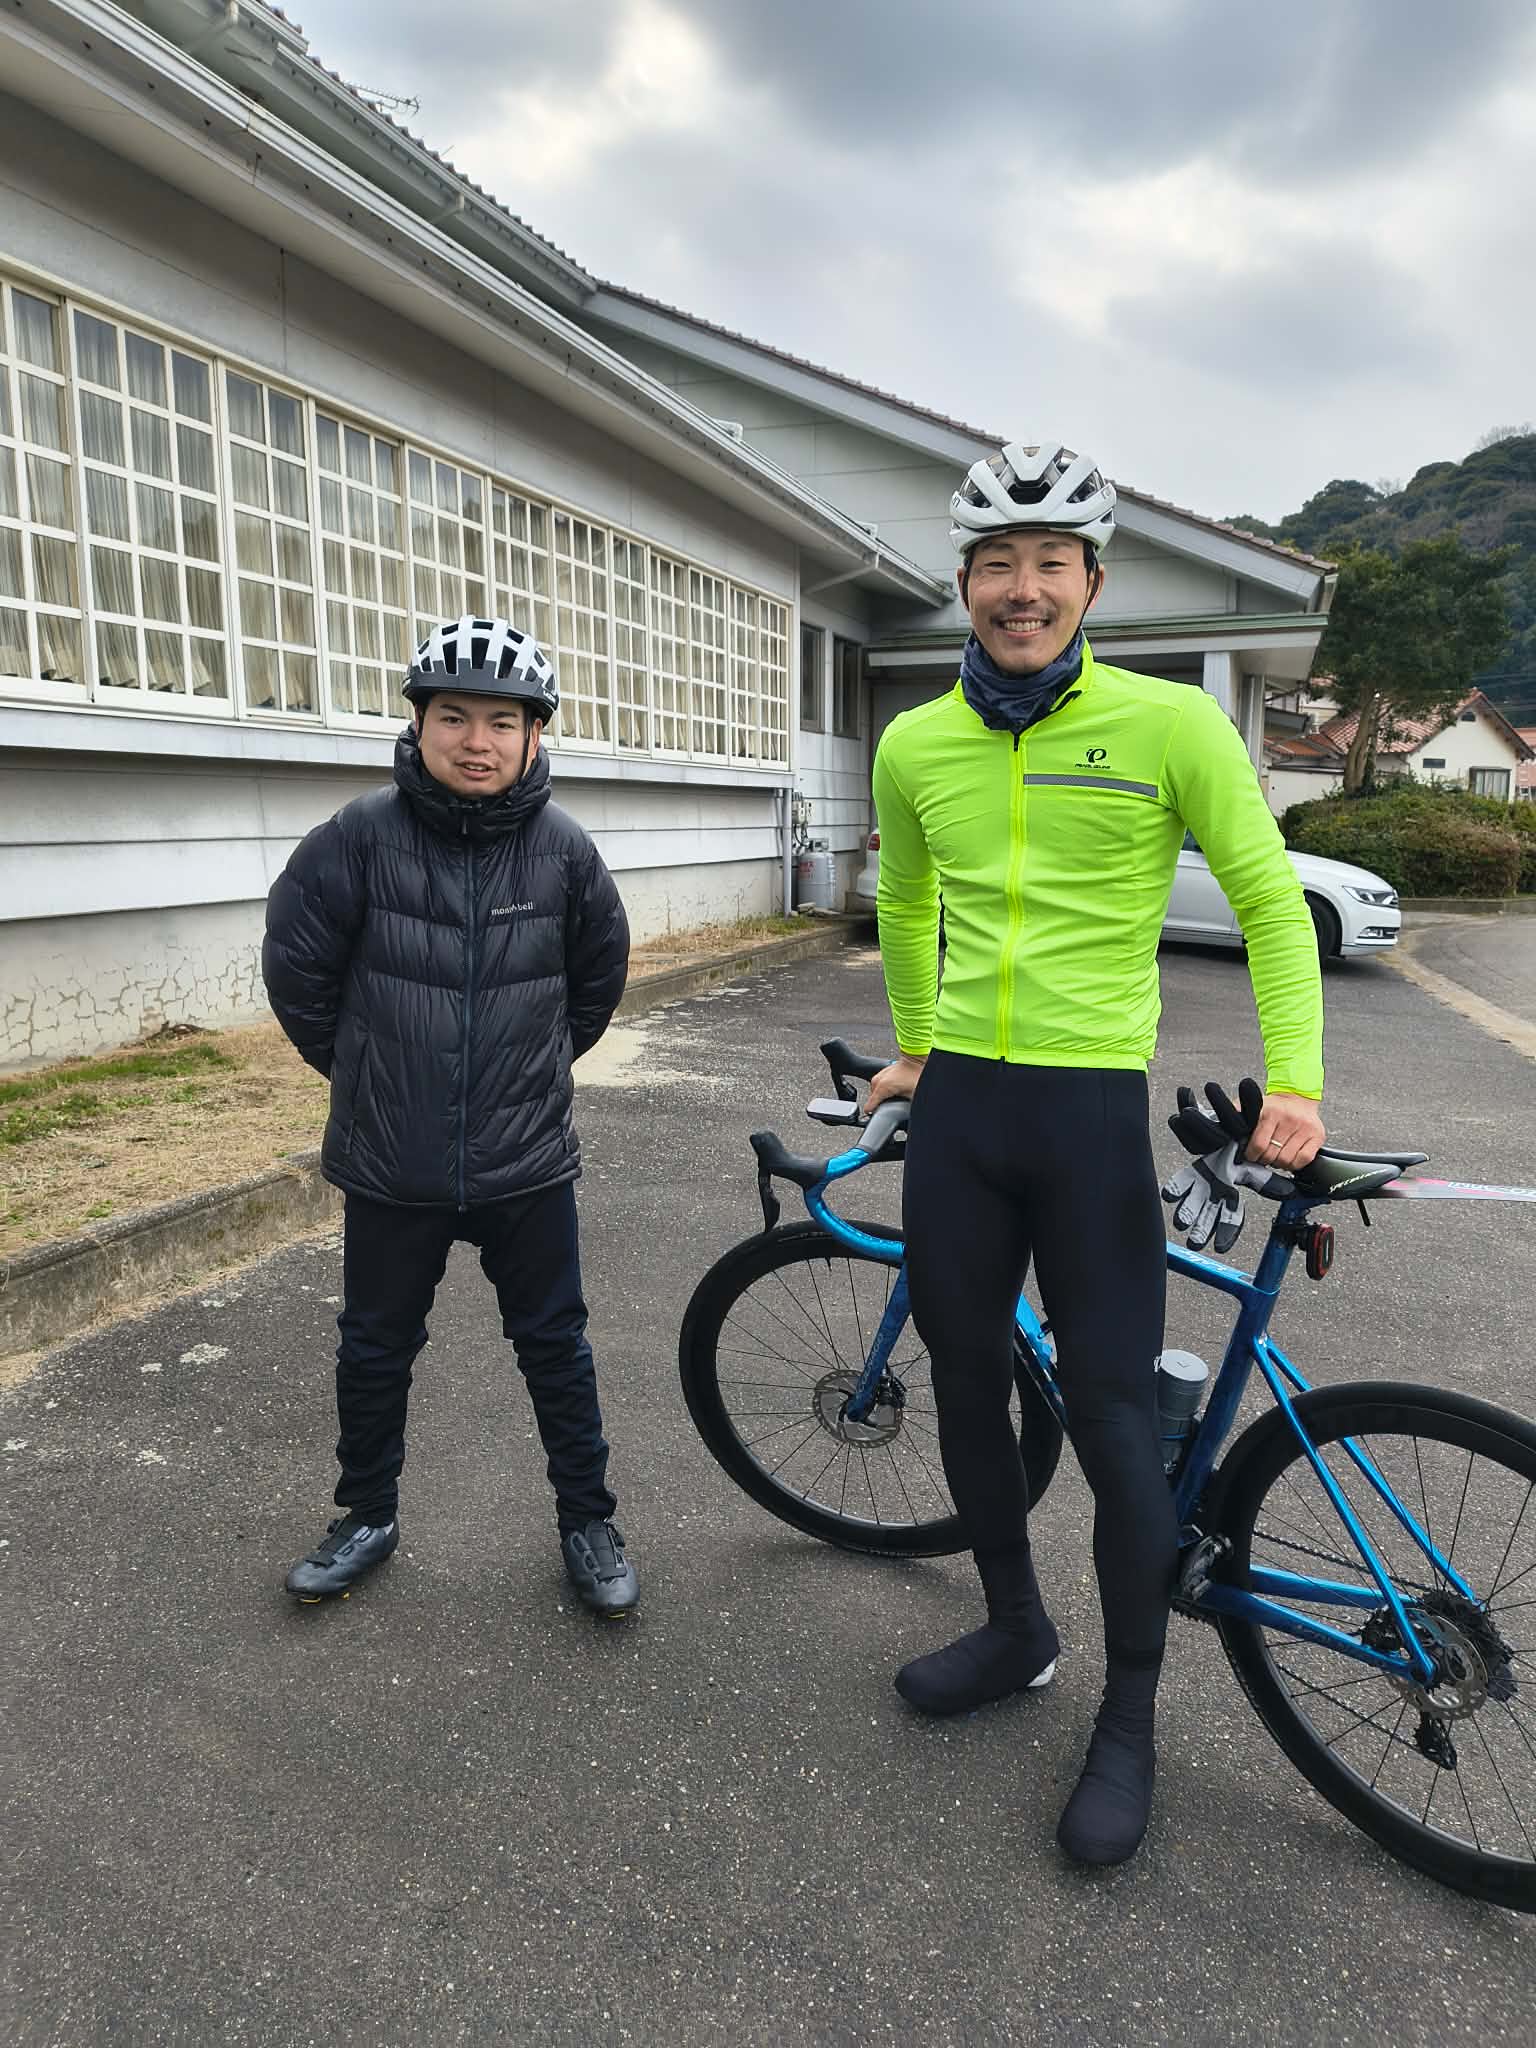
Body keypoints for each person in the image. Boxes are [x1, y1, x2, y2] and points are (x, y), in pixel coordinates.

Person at [863, 442, 1325, 1863]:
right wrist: (916, 1044)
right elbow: (907, 901)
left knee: (1119, 1426)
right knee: (962, 1382)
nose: (1023, 588)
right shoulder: (914, 743)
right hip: (963, 1115)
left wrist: (1298, 1082)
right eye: (997, 564)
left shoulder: (1169, 726)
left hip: (1086, 1118)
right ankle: (1015, 1626)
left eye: (1049, 563)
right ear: (963, 583)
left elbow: (1268, 899)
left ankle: (1129, 1717)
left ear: (1093, 583)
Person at [262, 615, 637, 1617]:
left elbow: (594, 986)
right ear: (419, 723)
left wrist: (524, 1073)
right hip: (393, 1159)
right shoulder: (357, 839)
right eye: (455, 716)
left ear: (534, 735)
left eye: (503, 721)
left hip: (527, 1161)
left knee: (556, 1346)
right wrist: (371, 1074)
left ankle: (588, 1521)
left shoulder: (565, 853)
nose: (478, 740)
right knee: (373, 1350)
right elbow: (297, 972)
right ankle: (366, 1516)